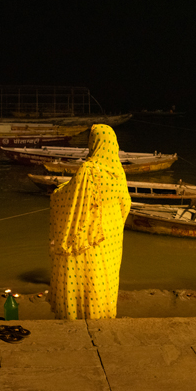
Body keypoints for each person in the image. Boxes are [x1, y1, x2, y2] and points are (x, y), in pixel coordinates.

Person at [47, 124, 132, 320]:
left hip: (89, 235)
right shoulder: (118, 170)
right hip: (111, 236)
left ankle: (77, 315)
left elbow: (71, 196)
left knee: (86, 274)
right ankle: (102, 314)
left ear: (94, 143)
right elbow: (125, 203)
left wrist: (57, 192)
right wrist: (115, 224)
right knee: (104, 278)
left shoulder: (89, 169)